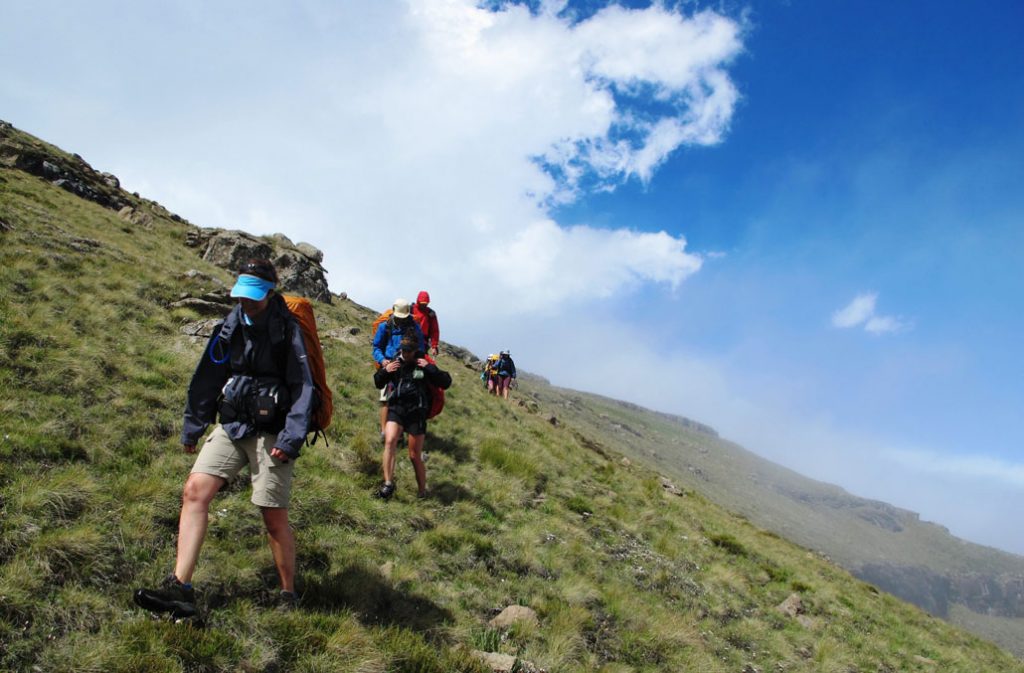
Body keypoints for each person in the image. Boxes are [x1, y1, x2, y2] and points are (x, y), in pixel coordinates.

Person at [134, 259, 314, 618]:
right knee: (194, 491)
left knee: (272, 514)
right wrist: (194, 424)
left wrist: (292, 437)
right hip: (232, 425)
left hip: (274, 432)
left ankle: (287, 594)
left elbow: (303, 386)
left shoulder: (287, 330)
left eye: (254, 298)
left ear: (269, 293)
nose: (246, 303)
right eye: (242, 296)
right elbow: (208, 376)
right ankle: (180, 587)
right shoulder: (230, 326)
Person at [373, 334, 451, 499]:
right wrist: (385, 371)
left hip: (417, 411)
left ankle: (422, 492)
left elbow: (445, 382)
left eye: (409, 351)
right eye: (403, 350)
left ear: (416, 350)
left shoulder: (424, 362)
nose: (405, 353)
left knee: (414, 455)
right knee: (390, 440)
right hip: (398, 407)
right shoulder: (396, 361)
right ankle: (388, 485)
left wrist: (430, 368)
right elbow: (378, 382)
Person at [372, 298, 425, 440]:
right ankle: (385, 432)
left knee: (408, 397)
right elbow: (376, 347)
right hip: (390, 366)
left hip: (408, 367)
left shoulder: (414, 327)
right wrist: (383, 361)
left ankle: (401, 432)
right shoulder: (385, 326)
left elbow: (421, 347)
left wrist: (416, 360)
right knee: (386, 399)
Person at [412, 290, 440, 357]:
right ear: (418, 301)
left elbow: (434, 331)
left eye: (425, 303)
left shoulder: (431, 314)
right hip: (409, 338)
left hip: (423, 341)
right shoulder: (411, 309)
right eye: (422, 303)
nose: (424, 305)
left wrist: (434, 346)